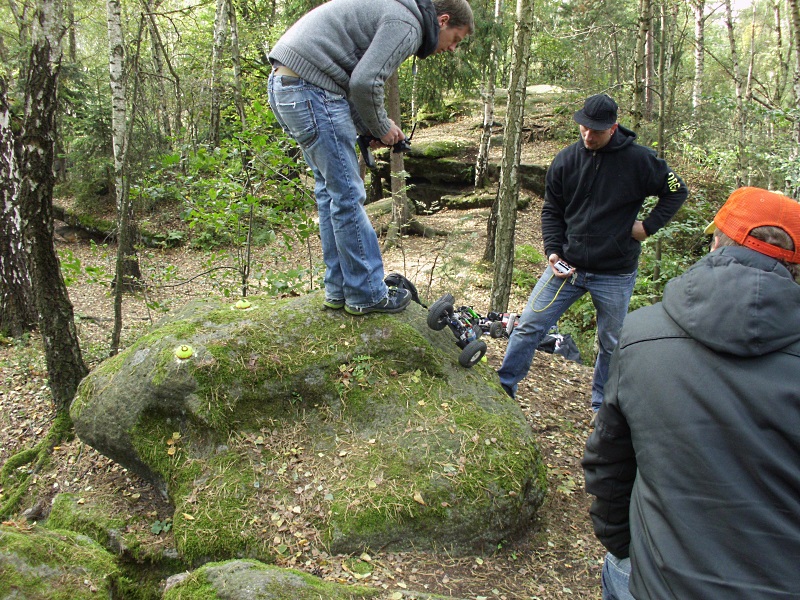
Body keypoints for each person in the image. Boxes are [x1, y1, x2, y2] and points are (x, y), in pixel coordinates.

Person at [582, 186, 800, 599]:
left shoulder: (640, 334)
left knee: (618, 568)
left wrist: (627, 549)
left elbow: (608, 465)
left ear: (716, 240)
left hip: (659, 581)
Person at [268, 0, 473, 316]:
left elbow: (351, 83)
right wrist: (381, 127)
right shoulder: (408, 23)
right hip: (312, 91)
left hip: (289, 87)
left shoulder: (395, 12)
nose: (452, 49)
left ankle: (339, 289)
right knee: (347, 196)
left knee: (331, 194)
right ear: (442, 21)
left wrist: (370, 128)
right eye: (456, 39)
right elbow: (365, 82)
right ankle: (366, 294)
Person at [497, 93, 687, 411]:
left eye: (596, 130)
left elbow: (675, 189)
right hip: (566, 267)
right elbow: (552, 211)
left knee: (611, 343)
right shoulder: (566, 160)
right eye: (584, 128)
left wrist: (648, 226)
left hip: (615, 272)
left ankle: (601, 404)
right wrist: (553, 253)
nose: (588, 135)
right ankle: (504, 388)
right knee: (529, 324)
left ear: (613, 128)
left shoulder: (641, 161)